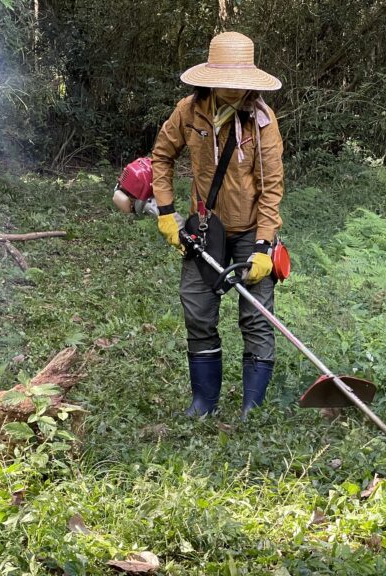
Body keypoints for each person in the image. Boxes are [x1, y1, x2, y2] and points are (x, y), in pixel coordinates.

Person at [151, 31, 284, 419]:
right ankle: (203, 403)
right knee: (197, 310)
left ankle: (251, 409)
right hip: (205, 228)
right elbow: (161, 157)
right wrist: (166, 213)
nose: (233, 87)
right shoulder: (189, 111)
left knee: (256, 318)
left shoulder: (262, 121)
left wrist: (263, 247)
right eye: (226, 78)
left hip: (251, 231)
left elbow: (272, 189)